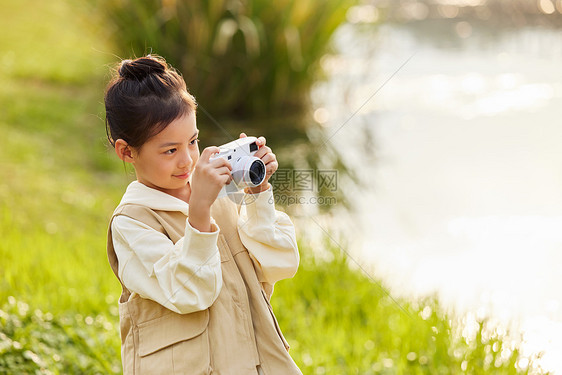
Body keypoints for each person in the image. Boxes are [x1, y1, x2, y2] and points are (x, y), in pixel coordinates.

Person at [104, 55, 302, 375]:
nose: (187, 161)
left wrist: (257, 193)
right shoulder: (131, 222)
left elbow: (279, 263)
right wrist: (199, 212)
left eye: (193, 142)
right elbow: (189, 293)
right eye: (170, 150)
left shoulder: (221, 190)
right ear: (127, 152)